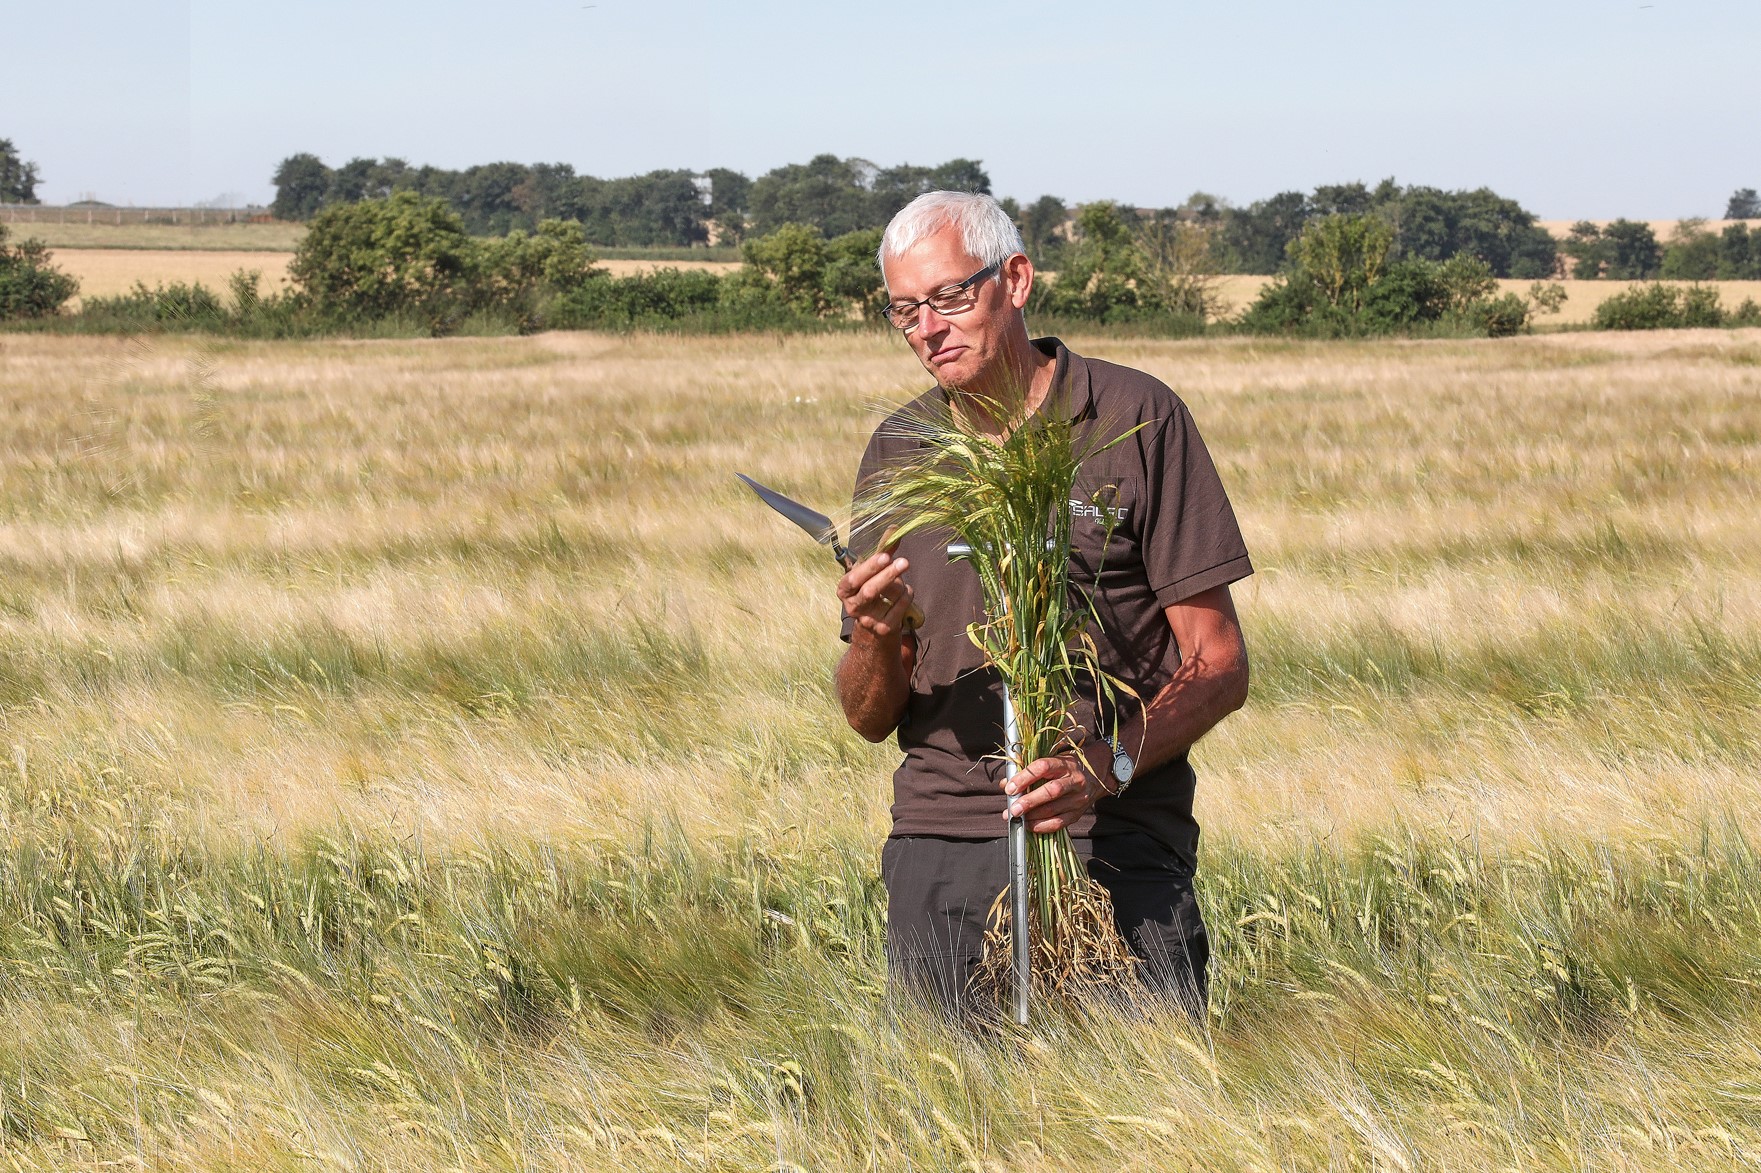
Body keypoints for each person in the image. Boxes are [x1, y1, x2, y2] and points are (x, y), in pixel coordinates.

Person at [835, 191, 1253, 1018]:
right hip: (942, 841)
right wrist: (876, 640)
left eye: (951, 296)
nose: (929, 327)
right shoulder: (899, 449)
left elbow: (1219, 663)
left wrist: (1104, 768)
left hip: (1114, 843)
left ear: (1015, 279)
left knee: (1141, 1124)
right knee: (944, 1129)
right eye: (904, 310)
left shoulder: (1136, 418)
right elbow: (866, 716)